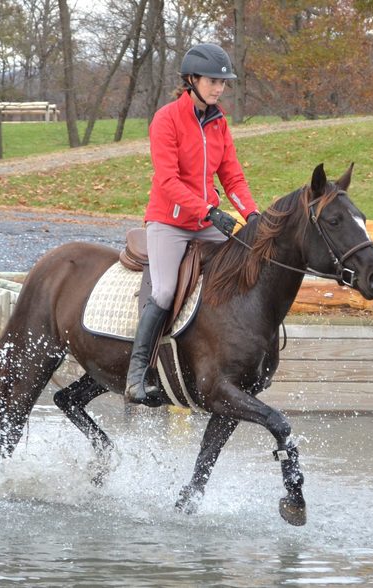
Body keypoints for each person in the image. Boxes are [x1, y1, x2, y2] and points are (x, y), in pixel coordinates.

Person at [125, 42, 261, 404]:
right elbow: (167, 182)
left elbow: (233, 177)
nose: (219, 88)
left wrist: (251, 214)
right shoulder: (166, 119)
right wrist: (207, 210)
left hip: (207, 219)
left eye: (223, 82)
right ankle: (137, 373)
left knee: (242, 266)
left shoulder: (219, 123)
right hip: (169, 222)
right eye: (213, 81)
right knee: (166, 291)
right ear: (191, 80)